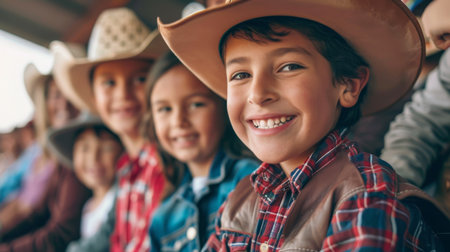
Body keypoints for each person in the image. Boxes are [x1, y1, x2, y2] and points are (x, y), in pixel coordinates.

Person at [158, 0, 450, 250]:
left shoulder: (365, 200)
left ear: (348, 85)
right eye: (240, 75)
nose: (258, 94)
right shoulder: (240, 200)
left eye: (288, 67)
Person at [51, 7, 168, 252]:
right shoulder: (126, 168)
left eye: (139, 79)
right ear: (93, 97)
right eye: (109, 83)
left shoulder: (170, 162)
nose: (123, 95)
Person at [146, 52, 259, 251]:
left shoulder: (250, 180)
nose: (179, 121)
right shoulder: (163, 218)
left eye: (195, 104)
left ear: (224, 105)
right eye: (164, 109)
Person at [0, 62, 90, 252]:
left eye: (68, 94)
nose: (64, 103)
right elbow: (37, 213)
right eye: (56, 95)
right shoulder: (50, 157)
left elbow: (61, 231)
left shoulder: (75, 159)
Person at [47, 112, 122, 240]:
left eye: (106, 148)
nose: (94, 158)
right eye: (84, 148)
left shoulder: (119, 199)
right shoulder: (88, 206)